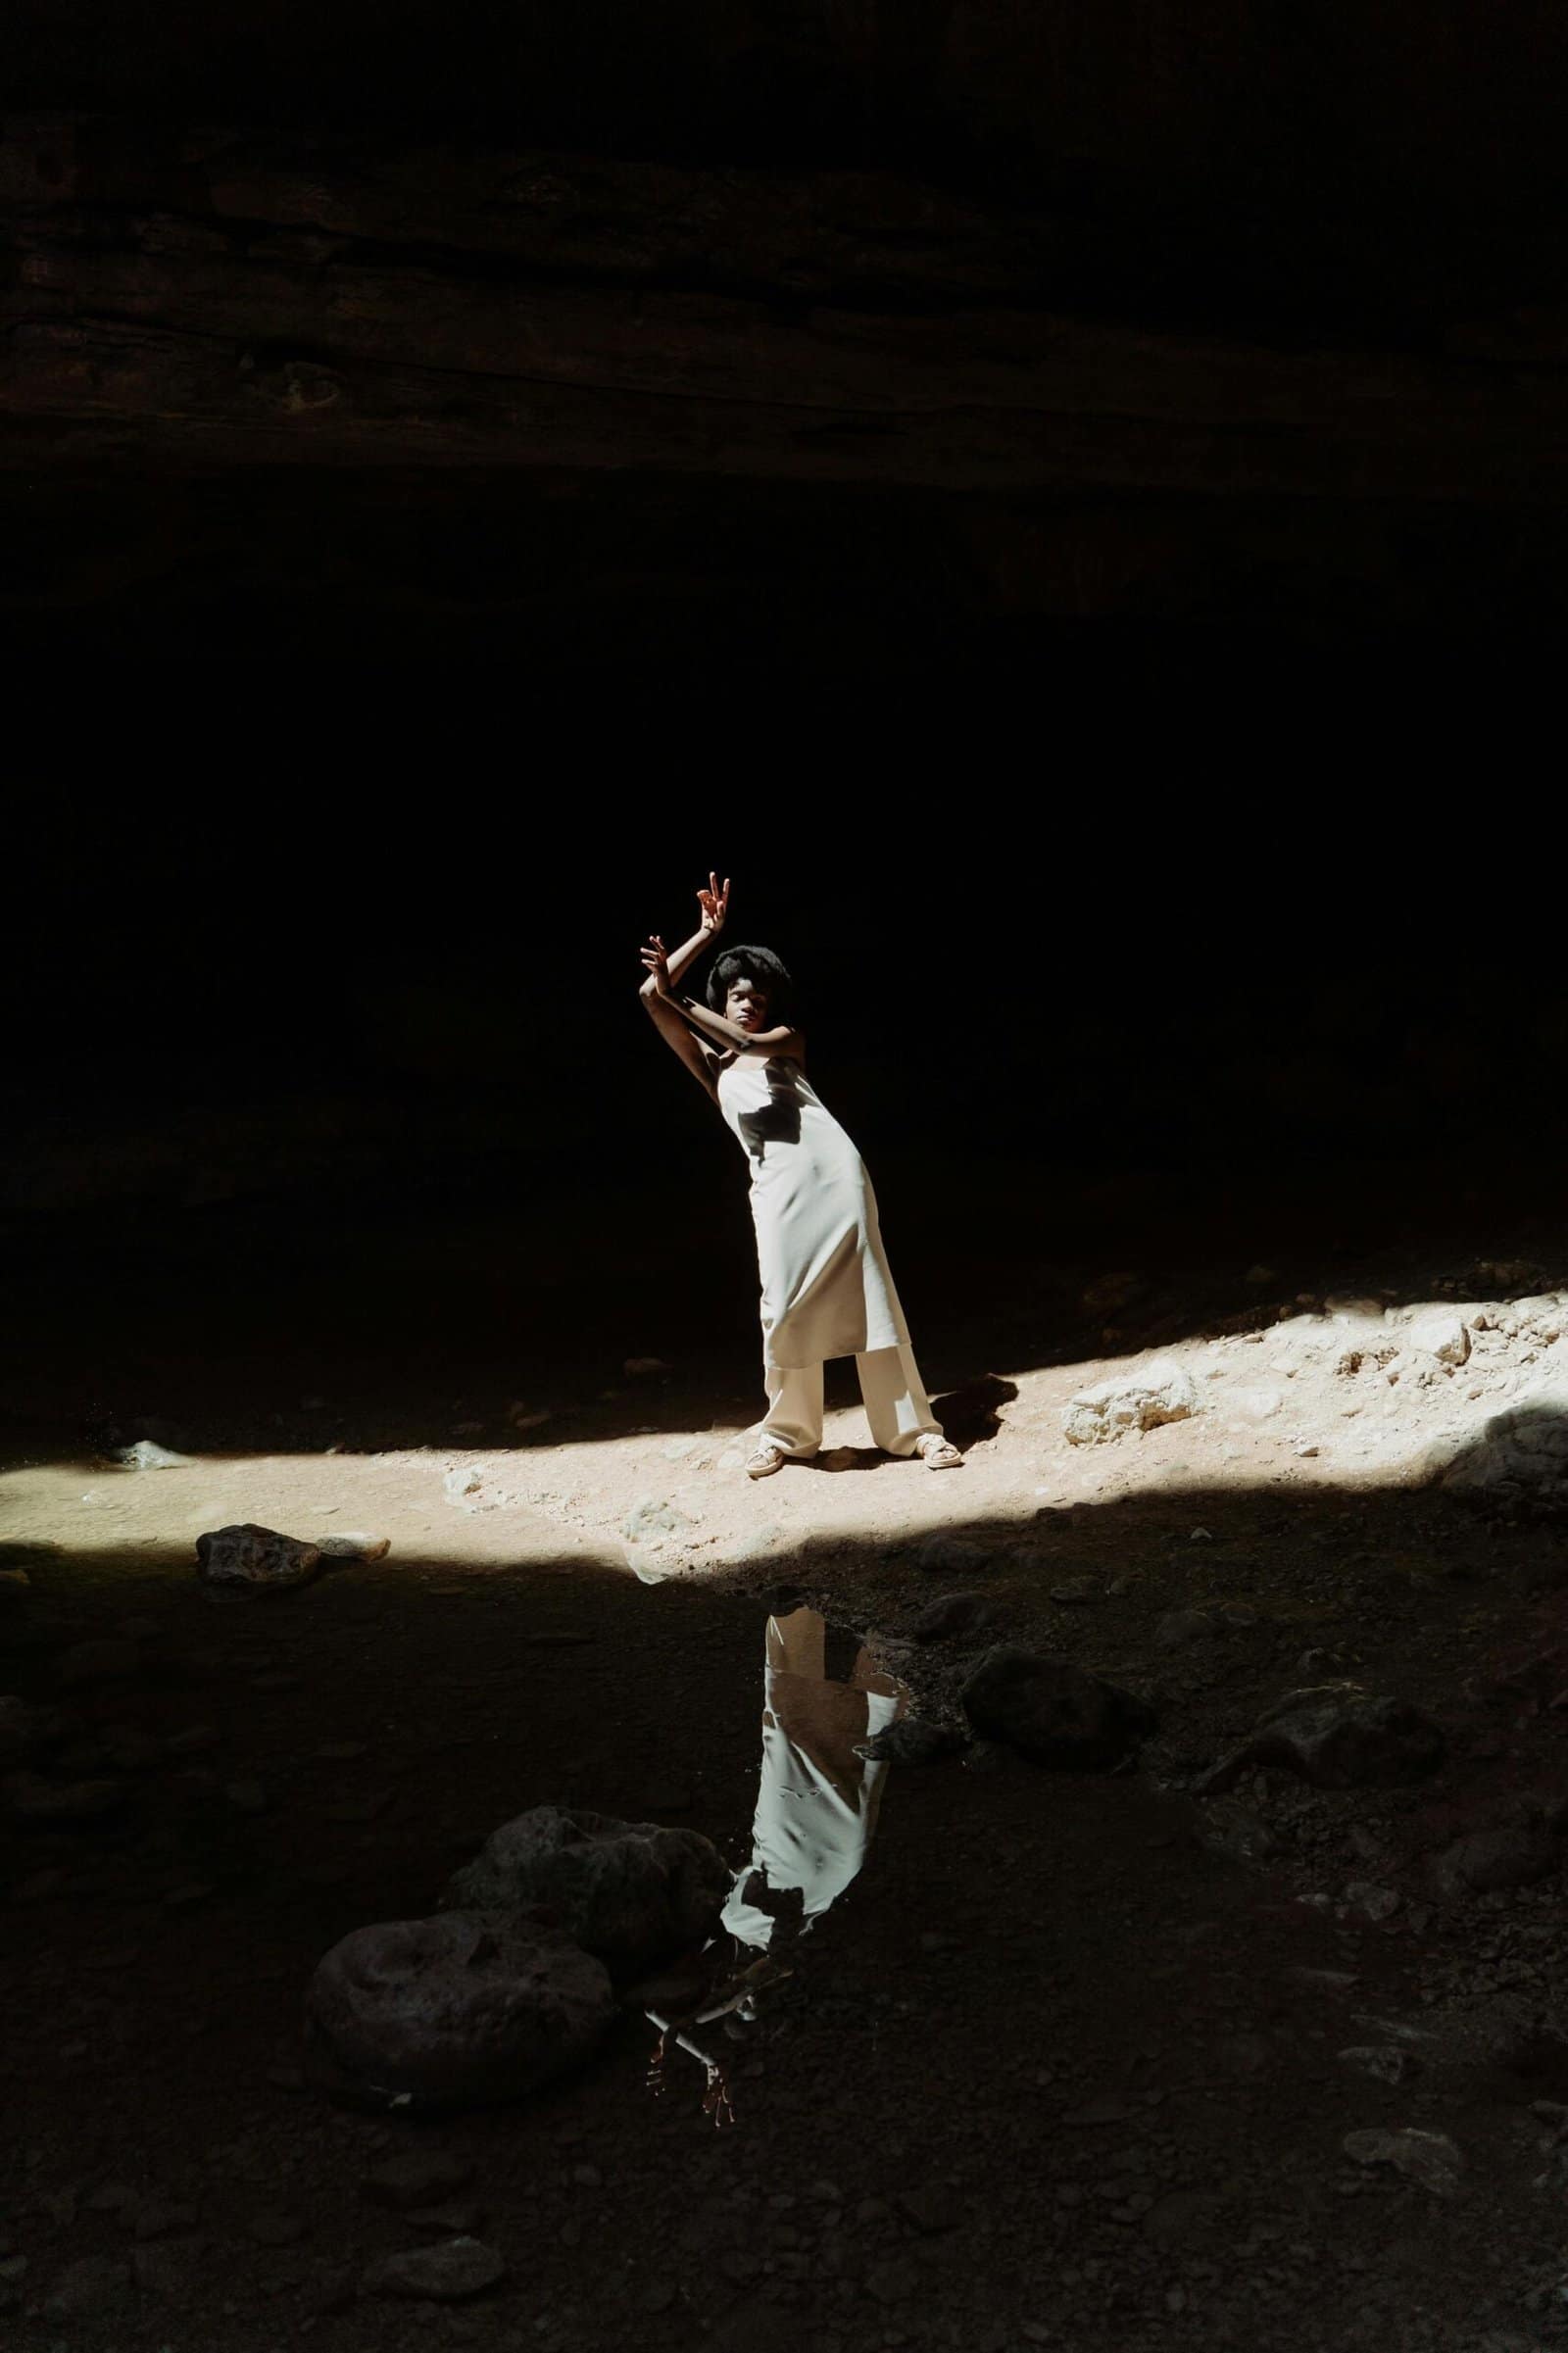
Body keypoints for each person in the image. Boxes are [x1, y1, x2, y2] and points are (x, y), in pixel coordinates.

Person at [638, 871, 960, 1478]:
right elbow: (651, 999)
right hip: (776, 1188)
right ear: (722, 995)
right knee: (781, 1305)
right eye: (738, 993)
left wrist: (677, 994)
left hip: (837, 1176)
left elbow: (719, 1025)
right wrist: (704, 936)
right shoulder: (712, 1069)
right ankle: (787, 1436)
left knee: (874, 1298)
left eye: (758, 996)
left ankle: (914, 1431)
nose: (749, 1002)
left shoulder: (785, 1041)